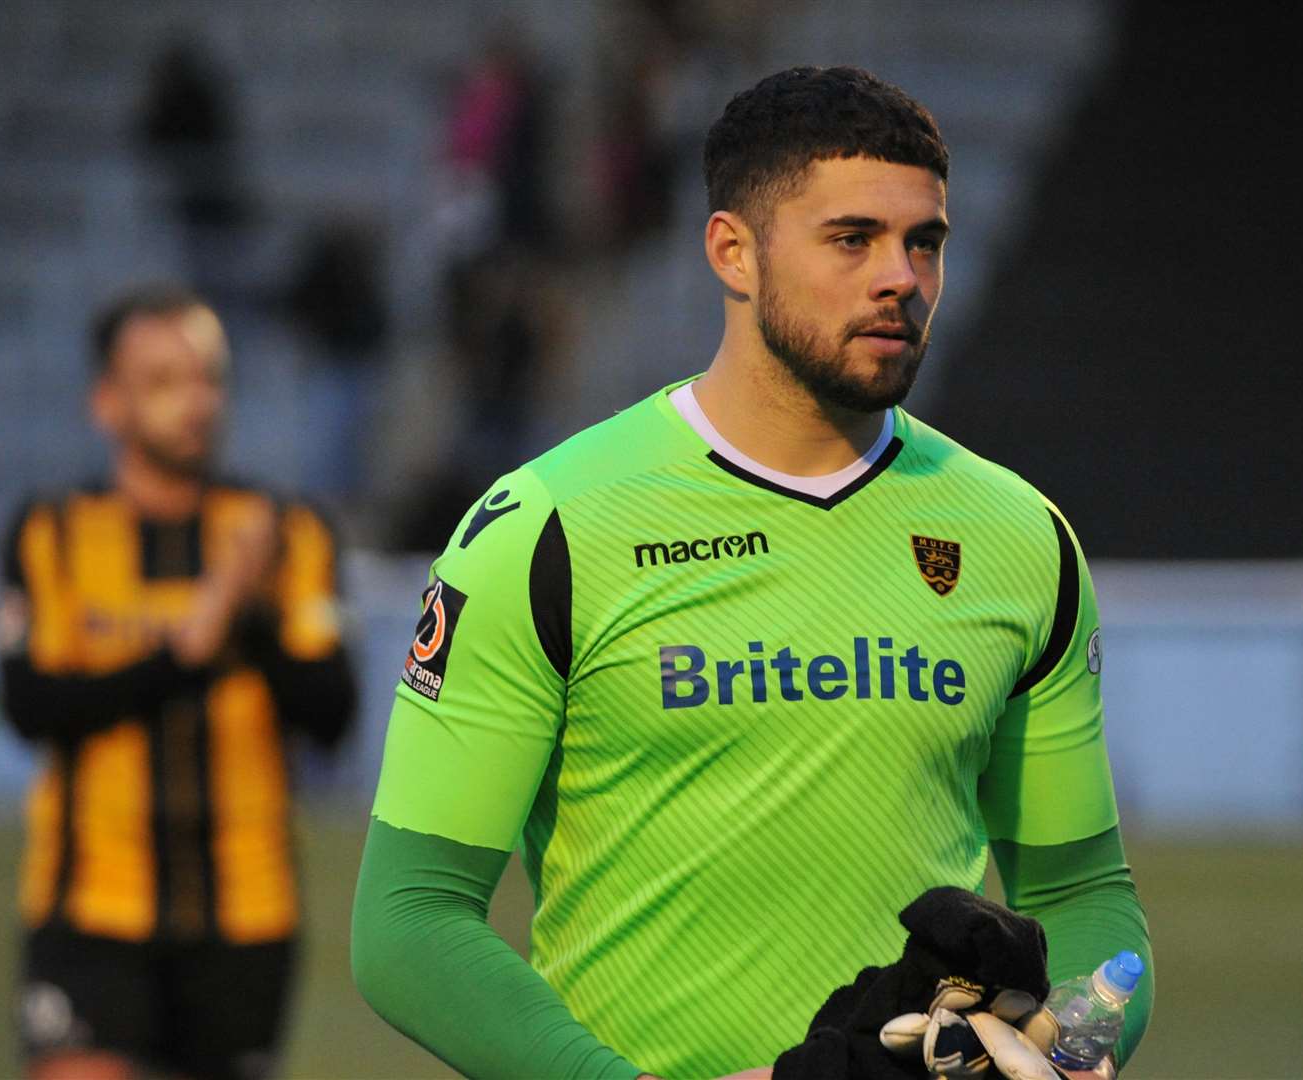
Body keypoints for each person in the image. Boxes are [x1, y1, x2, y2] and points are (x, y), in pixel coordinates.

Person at [352, 66, 1153, 1080]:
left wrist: (1070, 1047)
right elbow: (407, 922)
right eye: (851, 238)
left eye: (925, 242)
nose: (899, 277)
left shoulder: (1018, 534)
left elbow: (1083, 893)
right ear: (733, 251)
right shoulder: (545, 526)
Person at [0, 286, 358, 1080]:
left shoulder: (285, 534)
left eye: (207, 379)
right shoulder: (50, 532)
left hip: (247, 914)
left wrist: (248, 618)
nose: (193, 403)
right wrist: (192, 642)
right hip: (86, 906)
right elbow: (35, 709)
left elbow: (332, 713)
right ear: (106, 403)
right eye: (161, 382)